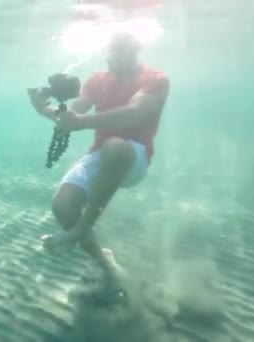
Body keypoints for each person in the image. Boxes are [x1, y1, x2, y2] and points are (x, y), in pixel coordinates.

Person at [27, 31, 170, 281]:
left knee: (115, 145)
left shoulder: (156, 79)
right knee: (62, 206)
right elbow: (73, 114)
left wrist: (81, 122)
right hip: (102, 153)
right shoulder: (98, 79)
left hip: (134, 158)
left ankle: (79, 231)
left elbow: (132, 113)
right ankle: (108, 265)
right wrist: (43, 108)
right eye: (109, 52)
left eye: (118, 52)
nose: (111, 58)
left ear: (133, 51)